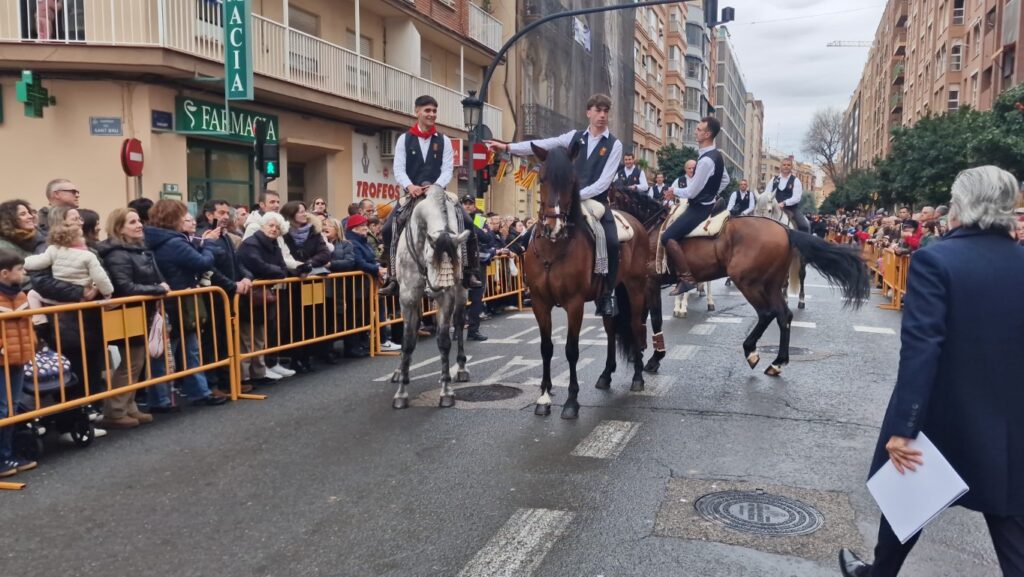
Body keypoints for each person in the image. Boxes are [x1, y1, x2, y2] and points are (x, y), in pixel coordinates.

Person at [839, 166, 1024, 577]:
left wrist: (904, 426)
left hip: (943, 411)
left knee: (907, 497)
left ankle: (879, 573)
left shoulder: (936, 260)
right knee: (1009, 517)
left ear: (959, 207)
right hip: (1010, 418)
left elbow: (922, 350)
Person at [486, 93, 623, 316]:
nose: (602, 115)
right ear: (588, 112)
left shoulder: (614, 144)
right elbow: (541, 145)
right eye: (598, 111)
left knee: (612, 240)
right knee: (535, 232)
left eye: (606, 111)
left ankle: (608, 295)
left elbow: (604, 182)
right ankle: (533, 282)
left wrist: (577, 194)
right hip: (568, 200)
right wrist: (507, 147)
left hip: (595, 201)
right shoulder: (575, 137)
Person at [380, 94, 483, 296]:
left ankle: (470, 271)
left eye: (434, 111)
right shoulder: (404, 139)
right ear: (417, 112)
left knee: (468, 222)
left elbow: (448, 169)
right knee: (387, 228)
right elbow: (398, 168)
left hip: (437, 193)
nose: (432, 114)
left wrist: (435, 186)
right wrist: (410, 186)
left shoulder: (444, 140)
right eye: (427, 110)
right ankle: (393, 276)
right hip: (412, 194)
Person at [143, 200, 227, 406]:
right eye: (183, 215)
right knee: (172, 351)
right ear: (173, 219)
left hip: (177, 300)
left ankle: (188, 392)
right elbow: (202, 263)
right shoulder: (174, 242)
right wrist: (208, 245)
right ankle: (167, 398)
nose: (186, 218)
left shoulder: (161, 239)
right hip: (177, 302)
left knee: (181, 349)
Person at [95, 208, 171, 428]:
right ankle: (115, 411)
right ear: (119, 228)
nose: (139, 225)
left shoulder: (139, 250)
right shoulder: (117, 254)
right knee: (131, 363)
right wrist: (157, 288)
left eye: (139, 220)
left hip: (141, 311)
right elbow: (125, 287)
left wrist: (157, 288)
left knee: (136, 363)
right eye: (132, 222)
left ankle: (129, 407)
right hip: (126, 313)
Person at [662, 116, 730, 296]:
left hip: (699, 208)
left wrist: (673, 191)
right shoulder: (715, 155)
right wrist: (711, 192)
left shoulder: (707, 160)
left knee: (667, 236)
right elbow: (726, 179)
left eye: (699, 129)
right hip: (705, 204)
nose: (695, 131)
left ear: (707, 134)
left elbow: (691, 192)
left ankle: (686, 278)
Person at [236, 212, 290, 384]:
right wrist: (277, 271)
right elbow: (259, 265)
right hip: (247, 296)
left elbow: (281, 268)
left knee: (259, 337)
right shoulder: (250, 243)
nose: (274, 229)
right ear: (262, 226)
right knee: (246, 338)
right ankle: (244, 377)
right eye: (271, 225)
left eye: (277, 227)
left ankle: (258, 373)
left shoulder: (275, 246)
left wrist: (276, 271)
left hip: (263, 296)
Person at [0, 249, 38, 478]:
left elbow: (27, 324)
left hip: (19, 357)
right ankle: (2, 455)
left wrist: (31, 344)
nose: (23, 273)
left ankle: (8, 452)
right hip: (2, 359)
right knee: (2, 408)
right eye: (20, 270)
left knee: (13, 407)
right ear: (5, 273)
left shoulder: (21, 295)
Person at [281, 201, 330, 373]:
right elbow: (283, 257)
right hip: (293, 283)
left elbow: (325, 253)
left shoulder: (314, 232)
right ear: (291, 214)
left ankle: (308, 357)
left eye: (304, 211)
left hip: (312, 281)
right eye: (300, 211)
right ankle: (296, 358)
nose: (304, 214)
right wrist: (297, 269)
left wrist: (308, 264)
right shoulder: (283, 234)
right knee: (295, 321)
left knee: (311, 319)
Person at [344, 214, 380, 357]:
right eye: (362, 225)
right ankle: (352, 346)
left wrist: (376, 265)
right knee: (354, 316)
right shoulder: (353, 243)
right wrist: (376, 269)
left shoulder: (363, 242)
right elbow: (360, 263)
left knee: (363, 315)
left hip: (364, 284)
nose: (366, 228)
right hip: (355, 285)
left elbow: (370, 259)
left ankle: (361, 343)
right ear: (355, 228)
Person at [765, 157, 810, 233]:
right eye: (784, 164)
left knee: (804, 226)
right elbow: (767, 194)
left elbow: (797, 197)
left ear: (791, 167)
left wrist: (784, 203)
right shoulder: (773, 180)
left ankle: (804, 244)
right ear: (781, 166)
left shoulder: (795, 180)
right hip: (773, 208)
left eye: (788, 165)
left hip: (791, 209)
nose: (786, 166)